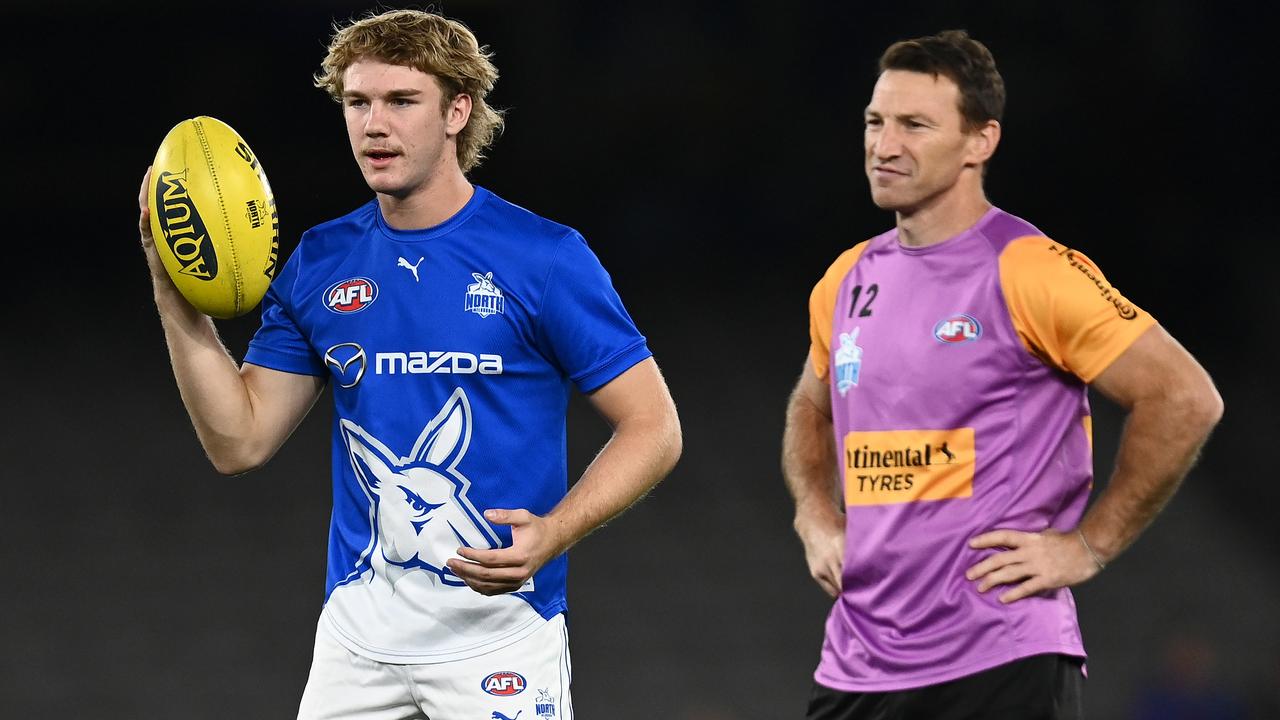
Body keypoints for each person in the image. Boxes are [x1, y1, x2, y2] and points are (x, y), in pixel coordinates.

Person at [136, 9, 681, 719]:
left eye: (401, 101)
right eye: (358, 102)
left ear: (458, 110)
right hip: (358, 642)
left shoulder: (544, 257)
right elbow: (239, 441)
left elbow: (654, 427)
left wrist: (555, 531)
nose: (373, 125)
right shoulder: (320, 262)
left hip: (500, 637)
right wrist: (172, 291)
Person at [781, 29, 1222, 719]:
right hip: (858, 665)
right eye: (876, 122)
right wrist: (814, 513)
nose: (884, 145)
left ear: (980, 142)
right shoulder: (845, 279)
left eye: (915, 126)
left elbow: (1185, 396)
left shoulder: (1029, 268)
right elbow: (810, 407)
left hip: (999, 659)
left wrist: (1088, 546)